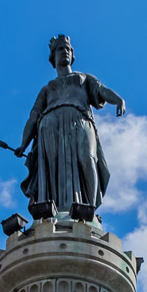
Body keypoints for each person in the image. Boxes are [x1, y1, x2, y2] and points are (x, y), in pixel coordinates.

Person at [16, 35, 126, 219]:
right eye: (60, 49)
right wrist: (23, 144)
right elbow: (33, 116)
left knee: (87, 158)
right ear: (53, 57)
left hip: (79, 121)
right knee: (54, 169)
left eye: (68, 49)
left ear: (72, 55)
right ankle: (55, 211)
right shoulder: (48, 88)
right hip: (50, 127)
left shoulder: (83, 78)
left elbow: (101, 90)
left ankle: (88, 209)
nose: (65, 52)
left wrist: (118, 100)